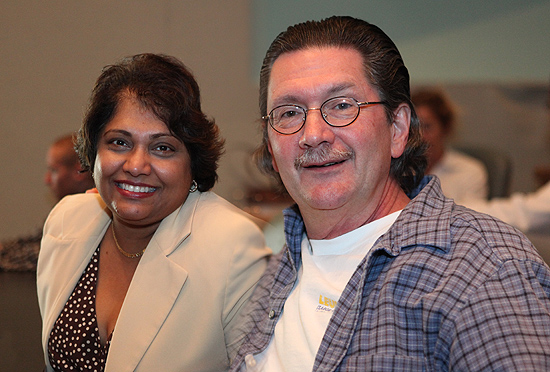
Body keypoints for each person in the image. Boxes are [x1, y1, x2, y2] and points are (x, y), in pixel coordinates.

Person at [229, 16, 550, 371]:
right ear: (272, 148)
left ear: (397, 129)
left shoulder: (482, 268)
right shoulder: (277, 268)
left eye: (342, 105)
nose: (314, 133)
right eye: (289, 113)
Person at [37, 53, 270, 371]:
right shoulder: (68, 219)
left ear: (192, 161)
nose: (135, 166)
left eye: (162, 147)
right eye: (119, 142)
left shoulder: (233, 247)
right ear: (93, 151)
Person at [0, 133, 95, 271]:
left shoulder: (89, 212)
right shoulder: (65, 209)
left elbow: (44, 254)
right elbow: (33, 240)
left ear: (79, 170)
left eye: (54, 170)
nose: (47, 180)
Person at [412, 88, 489, 201]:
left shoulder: (469, 172)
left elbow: (469, 217)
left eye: (427, 127)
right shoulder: (395, 172)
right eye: (413, 128)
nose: (420, 136)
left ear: (445, 128)